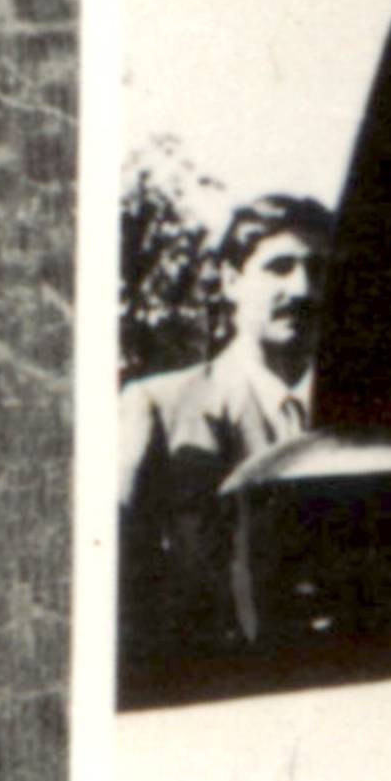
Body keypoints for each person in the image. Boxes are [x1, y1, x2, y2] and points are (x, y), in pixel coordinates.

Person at [118, 193, 332, 649]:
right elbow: (118, 582)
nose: (301, 289)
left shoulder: (357, 420)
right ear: (232, 280)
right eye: (279, 267)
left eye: (318, 270)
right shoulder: (159, 407)